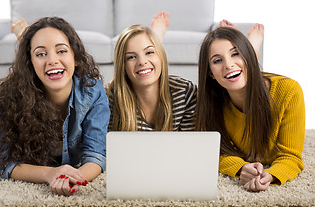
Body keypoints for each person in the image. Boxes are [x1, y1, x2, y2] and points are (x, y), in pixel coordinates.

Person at [0, 17, 110, 196]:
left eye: (61, 51)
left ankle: (28, 38)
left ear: (76, 58)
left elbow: (96, 155)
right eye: (41, 54)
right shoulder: (9, 97)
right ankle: (27, 40)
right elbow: (6, 162)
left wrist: (72, 178)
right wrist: (50, 173)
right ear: (30, 65)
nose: (52, 60)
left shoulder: (93, 91)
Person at [195, 26, 305, 191]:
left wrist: (272, 175)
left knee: (241, 71)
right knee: (239, 72)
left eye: (235, 53)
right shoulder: (207, 100)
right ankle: (248, 48)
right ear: (210, 73)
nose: (228, 64)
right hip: (238, 78)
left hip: (258, 79)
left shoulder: (289, 91)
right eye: (217, 60)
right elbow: (213, 152)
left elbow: (291, 156)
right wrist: (240, 168)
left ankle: (252, 46)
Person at [107, 11, 198, 131]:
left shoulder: (185, 92)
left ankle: (155, 39)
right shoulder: (109, 98)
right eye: (131, 57)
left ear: (161, 56)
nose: (142, 61)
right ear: (122, 66)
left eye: (149, 52)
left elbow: (190, 143)